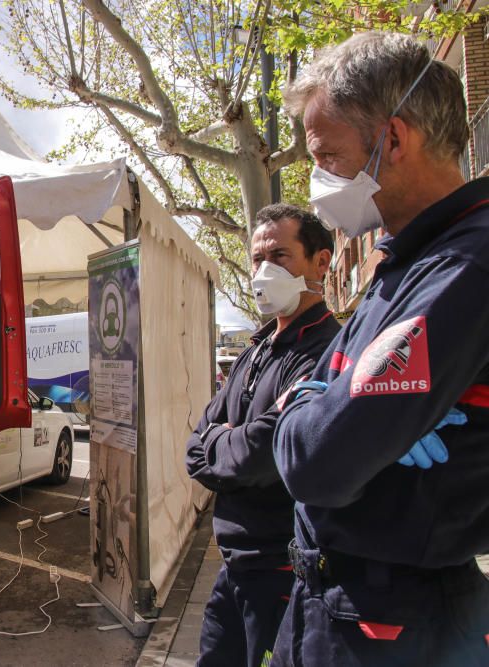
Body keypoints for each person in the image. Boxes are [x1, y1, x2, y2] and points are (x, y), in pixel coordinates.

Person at [272, 32, 489, 667]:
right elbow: (331, 391)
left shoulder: (463, 266)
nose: (317, 179)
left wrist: (297, 414)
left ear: (393, 140)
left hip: (394, 623)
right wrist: (328, 402)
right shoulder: (407, 261)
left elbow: (318, 461)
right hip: (347, 604)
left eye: (327, 155)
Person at [185, 204, 340, 667]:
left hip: (284, 572)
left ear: (321, 262)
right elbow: (196, 447)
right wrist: (228, 441)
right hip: (232, 566)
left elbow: (264, 453)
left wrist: (229, 441)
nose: (263, 270)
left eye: (280, 255)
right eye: (257, 259)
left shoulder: (327, 351)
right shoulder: (257, 349)